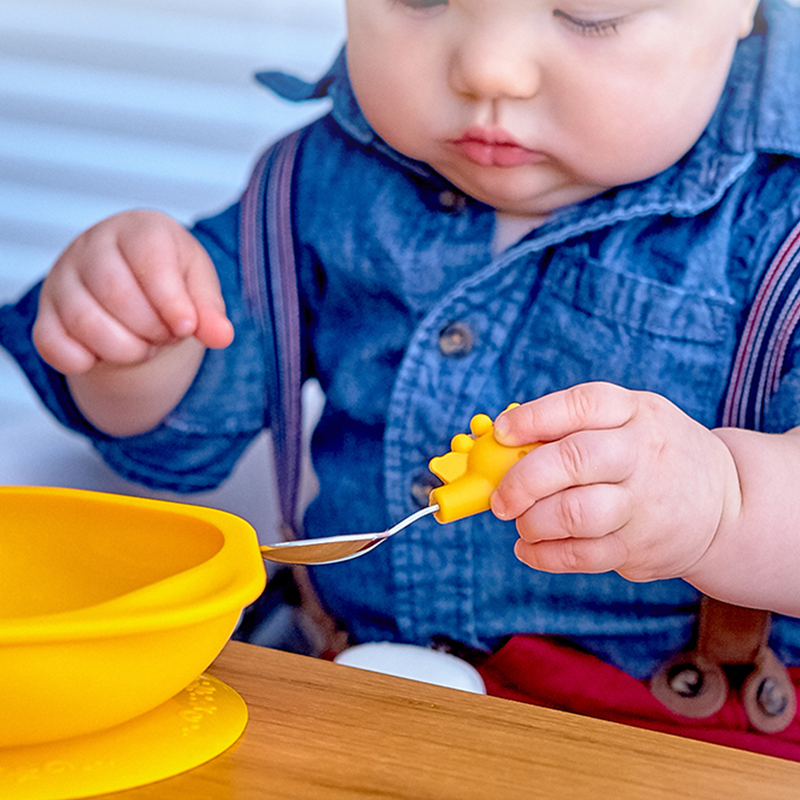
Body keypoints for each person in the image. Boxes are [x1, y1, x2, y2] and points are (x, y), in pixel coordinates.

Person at [4, 0, 800, 756]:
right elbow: (175, 446)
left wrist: (724, 501)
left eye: (587, 13)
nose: (490, 71)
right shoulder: (320, 179)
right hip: (352, 688)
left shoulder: (781, 228)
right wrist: (136, 343)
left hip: (675, 739)